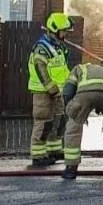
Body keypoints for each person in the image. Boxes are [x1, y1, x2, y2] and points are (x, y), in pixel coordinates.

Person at [60, 61, 103, 180]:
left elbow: (68, 91)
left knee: (74, 127)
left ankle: (71, 169)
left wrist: (71, 110)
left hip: (87, 93)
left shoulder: (78, 68)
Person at [28, 12, 72, 167]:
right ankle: (38, 156)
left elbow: (62, 69)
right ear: (55, 30)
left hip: (57, 92)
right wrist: (51, 88)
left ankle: (54, 150)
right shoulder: (42, 47)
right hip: (44, 92)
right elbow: (40, 70)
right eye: (63, 31)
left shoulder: (58, 46)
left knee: (58, 121)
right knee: (43, 122)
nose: (66, 34)